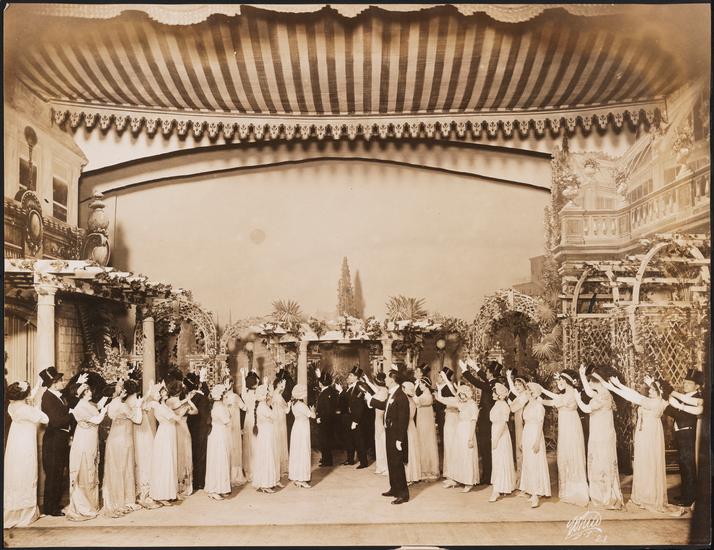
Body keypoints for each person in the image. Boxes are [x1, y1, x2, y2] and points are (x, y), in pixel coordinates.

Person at [603, 375, 682, 515]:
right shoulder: (653, 400)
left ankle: (649, 496)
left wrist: (614, 387)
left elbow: (634, 397)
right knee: (644, 463)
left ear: (660, 391)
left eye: (652, 389)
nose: (649, 391)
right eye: (650, 388)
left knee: (649, 462)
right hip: (644, 434)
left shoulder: (658, 402)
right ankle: (643, 494)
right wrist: (617, 386)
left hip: (650, 435)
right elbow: (634, 395)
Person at [576, 366, 623, 510]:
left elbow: (586, 408)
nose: (589, 383)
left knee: (603, 462)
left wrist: (577, 398)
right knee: (598, 461)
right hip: (599, 432)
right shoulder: (601, 392)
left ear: (598, 382)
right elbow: (590, 392)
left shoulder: (604, 396)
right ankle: (600, 493)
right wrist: (582, 375)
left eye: (591, 380)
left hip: (603, 435)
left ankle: (608, 496)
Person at [540, 370, 589, 507]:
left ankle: (576, 490)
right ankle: (567, 489)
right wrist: (542, 391)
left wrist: (540, 400)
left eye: (561, 380)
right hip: (566, 425)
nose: (559, 383)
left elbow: (554, 401)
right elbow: (556, 397)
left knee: (572, 453)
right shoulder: (566, 393)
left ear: (567, 381)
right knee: (565, 454)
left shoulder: (572, 393)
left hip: (571, 426)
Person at [4, 379, 47, 527]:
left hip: (15, 443)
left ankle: (14, 510)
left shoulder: (12, 406)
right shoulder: (28, 410)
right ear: (25, 395)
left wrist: (35, 388)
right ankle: (26, 513)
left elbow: (26, 400)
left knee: (15, 474)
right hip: (26, 444)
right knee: (27, 473)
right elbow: (45, 418)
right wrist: (35, 405)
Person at [365, 366, 410, 504]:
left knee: (397, 463)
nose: (385, 379)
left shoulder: (401, 396)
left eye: (388, 377)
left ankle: (403, 494)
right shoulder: (392, 393)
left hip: (396, 435)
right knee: (391, 461)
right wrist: (370, 400)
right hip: (389, 432)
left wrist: (399, 439)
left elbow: (403, 420)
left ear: (393, 380)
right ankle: (394, 488)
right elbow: (384, 405)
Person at [65, 379, 109, 521]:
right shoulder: (80, 407)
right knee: (85, 472)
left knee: (91, 470)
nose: (90, 392)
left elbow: (98, 406)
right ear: (82, 393)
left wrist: (108, 396)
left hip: (90, 441)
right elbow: (96, 420)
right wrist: (104, 411)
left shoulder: (87, 404)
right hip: (83, 442)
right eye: (88, 390)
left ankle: (91, 504)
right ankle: (84, 506)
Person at [102, 379, 143, 517]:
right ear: (123, 392)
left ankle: (114, 499)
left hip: (113, 440)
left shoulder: (111, 404)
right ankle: (124, 500)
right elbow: (138, 420)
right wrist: (138, 406)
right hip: (124, 440)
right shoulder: (123, 406)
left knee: (114, 469)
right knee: (125, 468)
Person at [666, 368, 704, 507]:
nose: (685, 385)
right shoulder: (685, 397)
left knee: (688, 466)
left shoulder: (697, 398)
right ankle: (685, 493)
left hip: (688, 435)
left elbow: (680, 414)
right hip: (681, 435)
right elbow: (672, 411)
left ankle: (689, 498)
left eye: (688, 383)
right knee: (683, 465)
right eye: (684, 382)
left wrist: (675, 407)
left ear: (697, 386)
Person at [40, 366, 73, 517]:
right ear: (53, 383)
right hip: (53, 442)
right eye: (60, 380)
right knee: (53, 474)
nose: (62, 382)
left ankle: (53, 504)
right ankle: (51, 508)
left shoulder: (55, 395)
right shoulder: (48, 398)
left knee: (58, 473)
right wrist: (72, 415)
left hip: (59, 440)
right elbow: (56, 422)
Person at [434, 383, 479, 492]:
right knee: (458, 455)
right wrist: (438, 394)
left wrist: (470, 438)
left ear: (468, 394)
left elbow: (473, 422)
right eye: (460, 394)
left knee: (467, 456)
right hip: (460, 430)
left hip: (468, 431)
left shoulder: (472, 405)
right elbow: (445, 401)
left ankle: (468, 481)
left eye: (463, 394)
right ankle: (458, 479)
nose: (461, 397)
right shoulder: (461, 404)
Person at [460, 359, 497, 483]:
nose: (485, 373)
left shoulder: (492, 385)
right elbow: (484, 378)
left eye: (487, 371)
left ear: (491, 373)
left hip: (487, 421)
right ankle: (487, 475)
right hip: (485, 420)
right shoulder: (492, 382)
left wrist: (465, 371)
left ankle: (488, 476)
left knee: (486, 448)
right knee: (485, 448)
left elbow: (477, 382)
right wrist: (474, 367)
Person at [519, 382, 550, 508]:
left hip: (535, 434)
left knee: (535, 463)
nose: (526, 392)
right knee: (528, 463)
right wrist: (521, 440)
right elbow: (525, 423)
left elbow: (540, 424)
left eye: (528, 390)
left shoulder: (538, 406)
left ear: (533, 393)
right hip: (527, 433)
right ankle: (531, 491)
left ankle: (537, 494)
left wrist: (537, 441)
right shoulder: (527, 405)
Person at [149, 382, 181, 506]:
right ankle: (161, 495)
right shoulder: (159, 407)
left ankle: (170, 492)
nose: (165, 392)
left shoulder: (164, 405)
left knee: (170, 461)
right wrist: (185, 409)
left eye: (165, 390)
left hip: (169, 433)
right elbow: (176, 418)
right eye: (162, 392)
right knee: (165, 462)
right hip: (164, 435)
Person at [166, 379, 197, 499]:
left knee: (183, 455)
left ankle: (183, 485)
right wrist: (188, 399)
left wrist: (189, 402)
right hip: (176, 430)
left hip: (181, 430)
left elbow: (195, 411)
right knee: (179, 455)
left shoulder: (179, 403)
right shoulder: (171, 402)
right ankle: (179, 485)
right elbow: (176, 406)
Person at [134, 380, 160, 509]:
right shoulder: (135, 402)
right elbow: (139, 408)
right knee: (143, 458)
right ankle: (143, 494)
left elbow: (147, 404)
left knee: (146, 458)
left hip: (144, 430)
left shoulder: (139, 401)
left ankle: (147, 492)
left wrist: (150, 395)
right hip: (141, 432)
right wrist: (148, 394)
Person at [489, 382, 516, 502]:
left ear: (500, 395)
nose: (492, 394)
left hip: (501, 434)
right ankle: (503, 486)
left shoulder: (504, 406)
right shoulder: (497, 404)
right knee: (497, 460)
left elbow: (502, 423)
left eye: (494, 392)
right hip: (495, 431)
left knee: (500, 460)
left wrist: (496, 439)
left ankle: (497, 489)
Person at [205, 383, 232, 500]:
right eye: (225, 394)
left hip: (217, 434)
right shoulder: (220, 408)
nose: (226, 395)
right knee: (219, 460)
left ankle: (221, 488)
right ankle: (214, 489)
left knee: (219, 460)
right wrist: (228, 407)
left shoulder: (216, 406)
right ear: (221, 396)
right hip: (219, 435)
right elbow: (227, 420)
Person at [185, 370, 211, 491]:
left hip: (192, 429)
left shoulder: (193, 397)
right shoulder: (203, 398)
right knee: (201, 455)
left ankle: (195, 481)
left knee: (194, 454)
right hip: (201, 430)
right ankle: (201, 481)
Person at [251, 384, 279, 493]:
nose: (268, 395)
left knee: (264, 457)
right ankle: (265, 484)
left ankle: (264, 482)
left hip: (265, 434)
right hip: (266, 434)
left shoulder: (262, 406)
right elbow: (274, 416)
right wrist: (273, 404)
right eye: (267, 393)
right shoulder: (263, 407)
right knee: (267, 457)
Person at [361, 370, 388, 475]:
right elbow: (375, 390)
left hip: (381, 420)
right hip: (378, 419)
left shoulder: (382, 392)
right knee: (379, 442)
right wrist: (368, 382)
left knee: (382, 443)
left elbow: (371, 403)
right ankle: (381, 466)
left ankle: (385, 467)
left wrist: (367, 395)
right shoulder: (383, 390)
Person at [414, 367, 439, 480]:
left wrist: (410, 392)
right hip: (422, 422)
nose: (420, 385)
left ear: (425, 385)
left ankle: (428, 469)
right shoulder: (424, 394)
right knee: (423, 443)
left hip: (425, 424)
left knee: (425, 443)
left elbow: (416, 400)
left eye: (421, 384)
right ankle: (425, 468)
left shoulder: (427, 396)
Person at [288, 384, 316, 488]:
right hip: (303, 429)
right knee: (303, 452)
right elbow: (313, 416)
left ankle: (296, 477)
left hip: (296, 428)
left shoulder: (294, 404)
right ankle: (302, 479)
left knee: (297, 453)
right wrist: (313, 410)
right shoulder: (302, 405)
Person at [342, 367, 369, 469]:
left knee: (359, 440)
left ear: (356, 377)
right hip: (350, 417)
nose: (348, 377)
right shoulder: (351, 387)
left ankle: (363, 462)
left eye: (351, 375)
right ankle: (350, 459)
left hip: (357, 418)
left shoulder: (360, 386)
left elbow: (360, 405)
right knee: (349, 439)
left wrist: (356, 420)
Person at [505, 370, 529, 481]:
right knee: (519, 449)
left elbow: (513, 408)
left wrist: (510, 402)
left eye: (519, 385)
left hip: (522, 423)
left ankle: (524, 478)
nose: (517, 387)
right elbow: (513, 391)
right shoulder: (521, 395)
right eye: (516, 385)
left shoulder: (525, 396)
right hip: (518, 422)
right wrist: (509, 378)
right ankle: (520, 476)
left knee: (521, 447)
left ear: (524, 385)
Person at [223, 376, 247, 486]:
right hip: (225, 427)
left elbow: (244, 407)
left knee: (235, 449)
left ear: (232, 383)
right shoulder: (222, 397)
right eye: (224, 382)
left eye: (227, 382)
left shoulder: (236, 397)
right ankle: (226, 476)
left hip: (235, 426)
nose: (226, 385)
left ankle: (235, 476)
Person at [437, 366, 459, 487]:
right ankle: (449, 472)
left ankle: (453, 474)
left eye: (440, 376)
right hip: (449, 418)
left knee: (451, 444)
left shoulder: (448, 388)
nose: (438, 378)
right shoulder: (444, 387)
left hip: (452, 420)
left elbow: (444, 400)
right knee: (448, 444)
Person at [240, 367, 260, 482]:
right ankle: (256, 468)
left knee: (248, 445)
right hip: (255, 419)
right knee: (255, 444)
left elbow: (243, 387)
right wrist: (255, 374)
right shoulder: (257, 394)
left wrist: (243, 375)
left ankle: (248, 470)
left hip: (248, 420)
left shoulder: (246, 394)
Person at [315, 370, 338, 467]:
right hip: (328, 420)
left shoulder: (326, 392)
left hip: (325, 421)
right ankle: (325, 459)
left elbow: (327, 409)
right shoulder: (330, 391)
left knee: (325, 441)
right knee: (325, 441)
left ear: (321, 383)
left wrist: (320, 418)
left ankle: (327, 461)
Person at [401, 380, 422, 485]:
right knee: (411, 450)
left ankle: (409, 476)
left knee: (408, 450)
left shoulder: (407, 401)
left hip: (407, 426)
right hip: (411, 426)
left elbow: (406, 416)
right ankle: (412, 475)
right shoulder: (411, 400)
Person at [272, 376, 290, 482]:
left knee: (279, 441)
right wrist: (289, 405)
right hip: (279, 421)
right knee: (280, 441)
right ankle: (280, 467)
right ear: (278, 384)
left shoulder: (276, 394)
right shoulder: (277, 396)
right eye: (282, 383)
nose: (284, 385)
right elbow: (286, 411)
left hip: (278, 420)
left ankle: (279, 467)